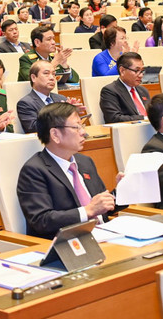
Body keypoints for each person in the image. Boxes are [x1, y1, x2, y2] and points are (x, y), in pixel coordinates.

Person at [17, 102, 121, 239]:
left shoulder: (85, 162)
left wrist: (123, 191)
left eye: (82, 126)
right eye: (76, 127)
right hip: (67, 242)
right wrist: (88, 211)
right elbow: (42, 220)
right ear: (55, 135)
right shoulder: (34, 170)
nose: (84, 132)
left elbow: (102, 207)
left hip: (103, 236)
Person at [16, 60, 71, 133]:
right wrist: (60, 115)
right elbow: (33, 128)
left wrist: (73, 112)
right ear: (33, 78)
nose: (52, 78)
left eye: (54, 74)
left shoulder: (61, 99)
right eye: (46, 73)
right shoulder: (25, 103)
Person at [99, 52, 151, 124]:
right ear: (122, 71)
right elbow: (113, 118)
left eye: (142, 71)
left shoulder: (143, 90)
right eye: (136, 71)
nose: (141, 75)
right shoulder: (110, 91)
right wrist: (144, 118)